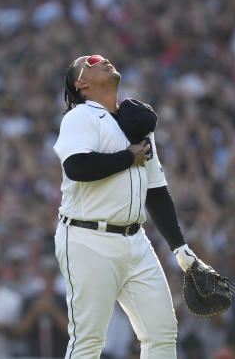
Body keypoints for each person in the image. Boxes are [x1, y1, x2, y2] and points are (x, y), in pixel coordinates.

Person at [52, 54, 203, 358]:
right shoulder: (80, 116)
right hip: (88, 238)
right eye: (93, 61)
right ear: (81, 82)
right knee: (89, 340)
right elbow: (76, 167)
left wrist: (180, 248)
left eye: (104, 57)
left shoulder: (135, 124)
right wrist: (127, 157)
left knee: (161, 332)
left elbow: (157, 192)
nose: (103, 59)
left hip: (136, 242)